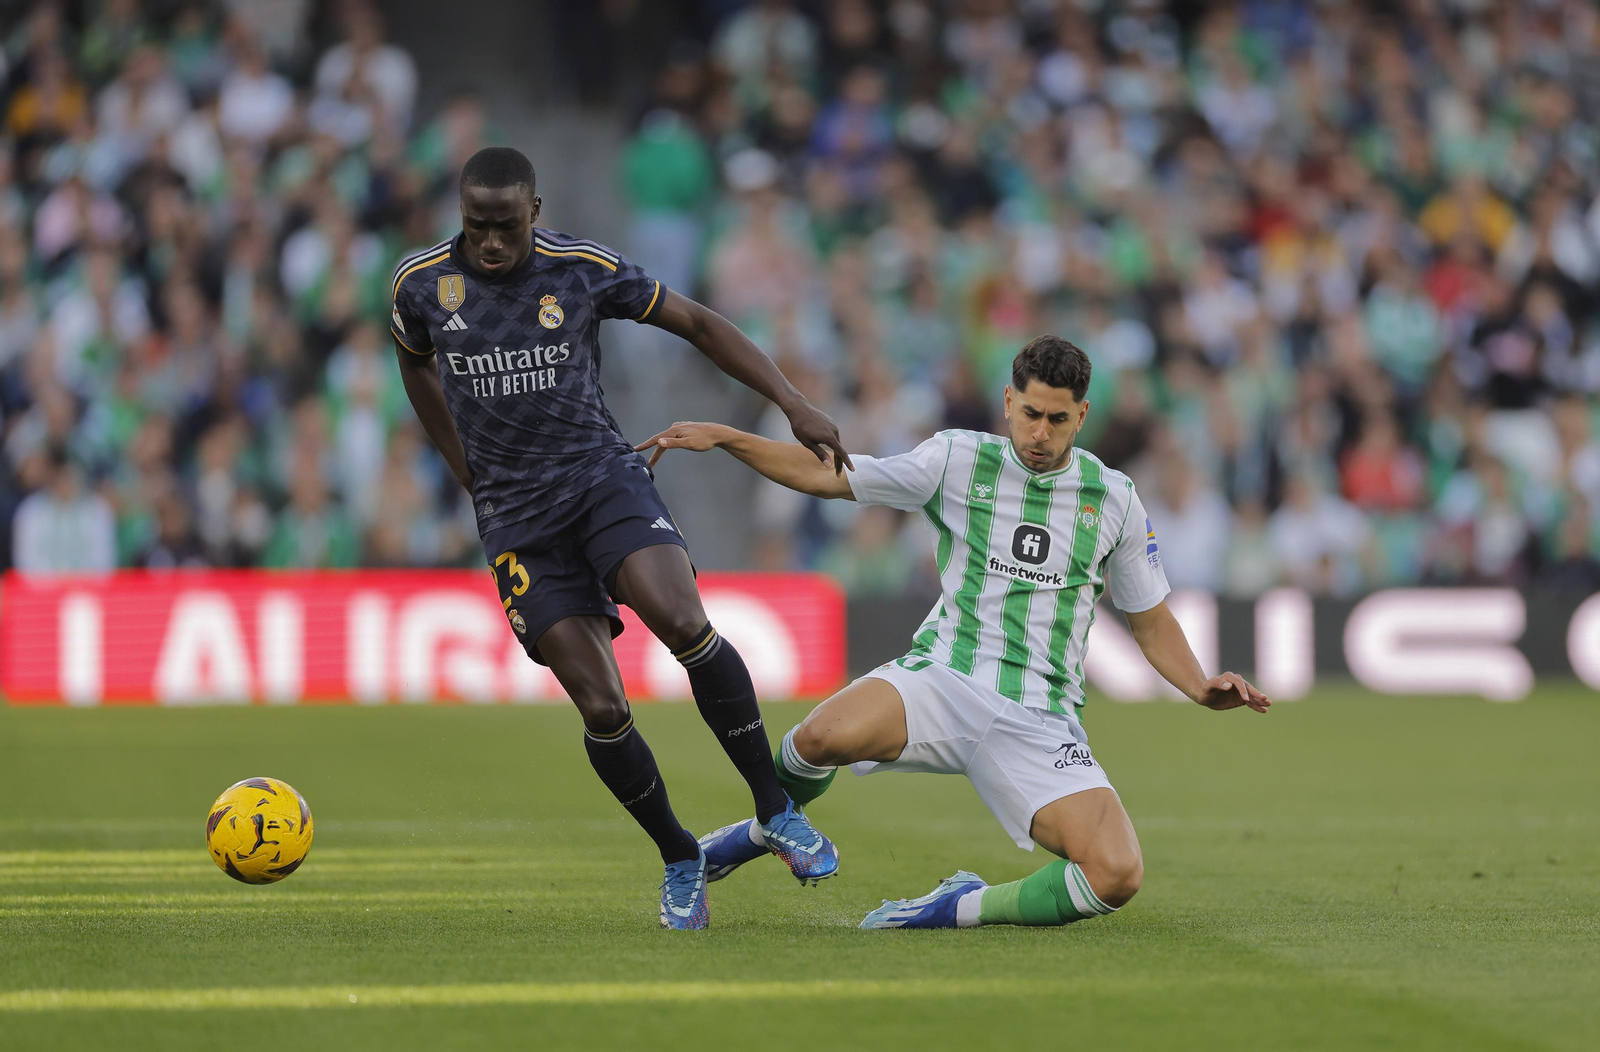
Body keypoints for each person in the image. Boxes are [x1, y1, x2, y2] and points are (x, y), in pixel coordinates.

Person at [638, 335, 1270, 930]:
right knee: (813, 740)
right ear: (1007, 401)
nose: (1039, 433)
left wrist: (1198, 685)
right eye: (1029, 413)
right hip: (943, 678)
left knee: (1117, 875)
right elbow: (831, 477)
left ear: (1082, 416)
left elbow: (1150, 618)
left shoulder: (1114, 499)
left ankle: (958, 907)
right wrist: (725, 437)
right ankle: (756, 833)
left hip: (1038, 719)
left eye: (1056, 419)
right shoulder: (958, 459)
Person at [390, 147, 846, 930]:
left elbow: (697, 323)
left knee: (684, 623)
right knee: (602, 705)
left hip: (602, 479)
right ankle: (679, 856)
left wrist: (792, 399)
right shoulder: (421, 285)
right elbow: (413, 361)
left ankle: (776, 810)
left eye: (506, 227)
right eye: (476, 228)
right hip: (518, 522)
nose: (491, 244)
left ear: (535, 212)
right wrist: (467, 471)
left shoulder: (581, 268)